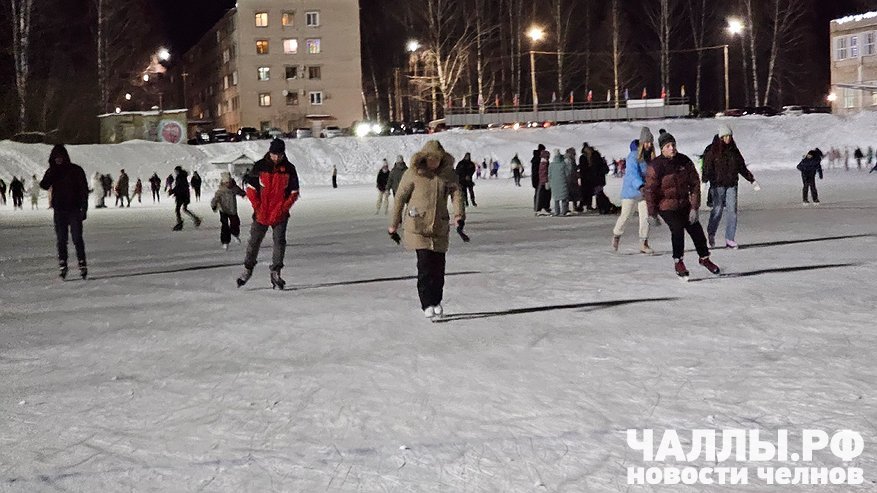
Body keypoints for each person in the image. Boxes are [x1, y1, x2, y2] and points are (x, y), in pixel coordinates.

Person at [388, 140, 465, 319]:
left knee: (438, 269)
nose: (434, 163)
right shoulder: (413, 173)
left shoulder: (448, 174)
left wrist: (459, 215)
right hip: (418, 227)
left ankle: (436, 300)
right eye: (431, 159)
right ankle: (426, 303)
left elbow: (457, 194)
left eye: (438, 159)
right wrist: (394, 223)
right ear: (424, 158)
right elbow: (400, 197)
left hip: (439, 227)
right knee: (425, 267)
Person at [644, 132, 720, 279]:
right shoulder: (656, 166)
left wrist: (694, 207)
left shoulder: (684, 161)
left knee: (696, 229)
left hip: (684, 204)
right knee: (677, 229)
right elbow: (649, 190)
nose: (672, 148)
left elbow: (695, 183)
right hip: (666, 206)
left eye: (673, 145)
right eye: (668, 146)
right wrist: (652, 213)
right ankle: (678, 261)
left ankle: (704, 258)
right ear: (662, 149)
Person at [237, 138, 300, 289]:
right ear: (269, 152)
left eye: (279, 155)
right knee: (254, 242)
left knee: (279, 242)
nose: (276, 158)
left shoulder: (289, 169)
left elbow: (294, 192)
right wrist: (258, 207)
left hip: (280, 214)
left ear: (283, 154)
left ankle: (276, 271)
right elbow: (251, 190)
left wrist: (283, 208)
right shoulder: (260, 166)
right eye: (273, 154)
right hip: (261, 213)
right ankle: (248, 269)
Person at [701, 124, 757, 249]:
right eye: (725, 136)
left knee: (732, 212)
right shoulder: (712, 150)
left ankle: (729, 239)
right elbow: (707, 167)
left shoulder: (734, 150)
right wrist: (704, 181)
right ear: (720, 137)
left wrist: (751, 180)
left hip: (732, 184)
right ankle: (711, 233)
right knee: (718, 210)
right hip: (718, 185)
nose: (727, 139)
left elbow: (741, 166)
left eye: (729, 136)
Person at [39, 145, 89, 279]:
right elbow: (43, 185)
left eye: (60, 157)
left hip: (74, 209)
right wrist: (51, 173)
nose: (58, 160)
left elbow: (84, 190)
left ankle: (82, 262)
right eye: (56, 158)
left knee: (77, 237)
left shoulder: (76, 170)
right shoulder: (53, 172)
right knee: (61, 239)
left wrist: (84, 208)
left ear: (65, 157)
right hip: (60, 210)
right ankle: (63, 263)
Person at [613, 127, 654, 254]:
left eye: (650, 142)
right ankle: (616, 236)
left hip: (644, 193)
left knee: (646, 217)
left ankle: (644, 242)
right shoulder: (633, 156)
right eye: (646, 142)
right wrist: (640, 186)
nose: (648, 145)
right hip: (631, 191)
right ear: (641, 143)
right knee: (625, 216)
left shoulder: (651, 158)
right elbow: (632, 174)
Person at [211, 171, 246, 248]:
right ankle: (225, 241)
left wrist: (244, 194)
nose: (228, 184)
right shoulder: (220, 191)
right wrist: (214, 205)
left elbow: (240, 192)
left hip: (232, 209)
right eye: (226, 182)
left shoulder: (234, 188)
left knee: (235, 222)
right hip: (223, 210)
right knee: (225, 225)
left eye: (229, 182)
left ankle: (235, 234)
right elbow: (215, 199)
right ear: (223, 183)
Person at [168, 166, 202, 231]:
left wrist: (172, 191)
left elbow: (179, 187)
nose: (175, 172)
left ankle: (180, 222)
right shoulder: (183, 176)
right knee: (184, 209)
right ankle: (195, 218)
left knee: (178, 209)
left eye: (176, 171)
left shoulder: (180, 177)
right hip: (185, 195)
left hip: (181, 195)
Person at [547, 149, 571, 216]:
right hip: (563, 182)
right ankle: (564, 211)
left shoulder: (551, 165)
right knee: (564, 198)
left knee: (556, 199)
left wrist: (550, 182)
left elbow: (549, 174)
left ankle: (557, 211)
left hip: (554, 183)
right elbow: (567, 173)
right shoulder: (563, 164)